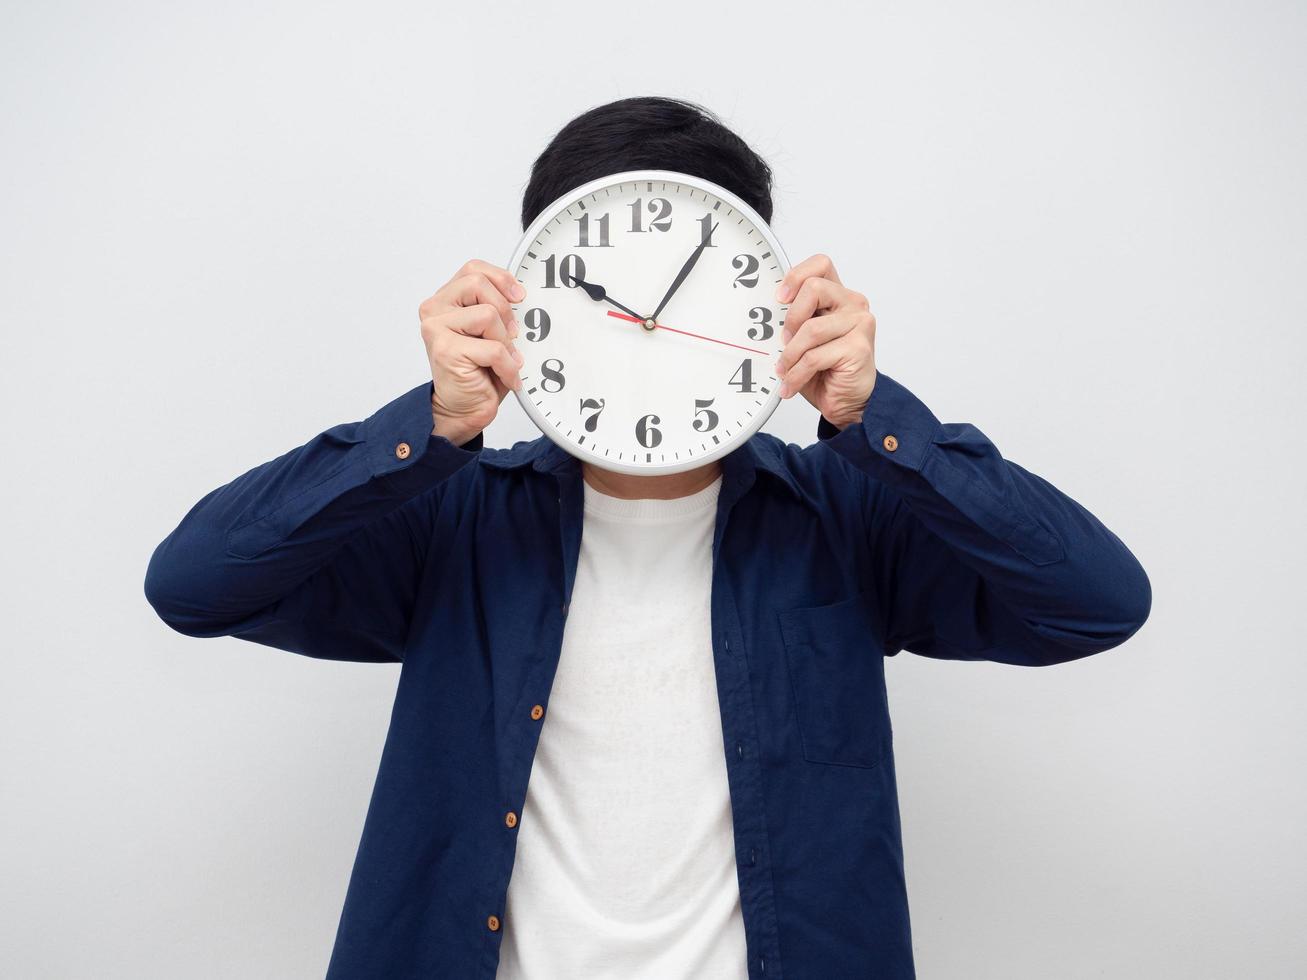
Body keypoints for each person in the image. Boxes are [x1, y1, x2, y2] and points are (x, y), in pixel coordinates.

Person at [144, 96, 1151, 980]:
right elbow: (195, 581)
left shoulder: (845, 515)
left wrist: (874, 419)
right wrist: (433, 426)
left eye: (684, 296)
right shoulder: (451, 518)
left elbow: (1096, 599)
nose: (647, 328)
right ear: (532, 295)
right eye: (610, 294)